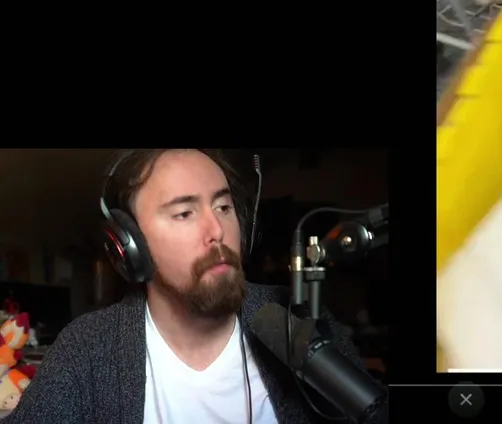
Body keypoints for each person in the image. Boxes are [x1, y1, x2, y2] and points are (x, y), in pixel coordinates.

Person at [7, 149, 386, 424]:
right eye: (185, 213)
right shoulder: (88, 349)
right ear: (130, 246)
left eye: (223, 208)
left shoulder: (301, 322)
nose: (217, 230)